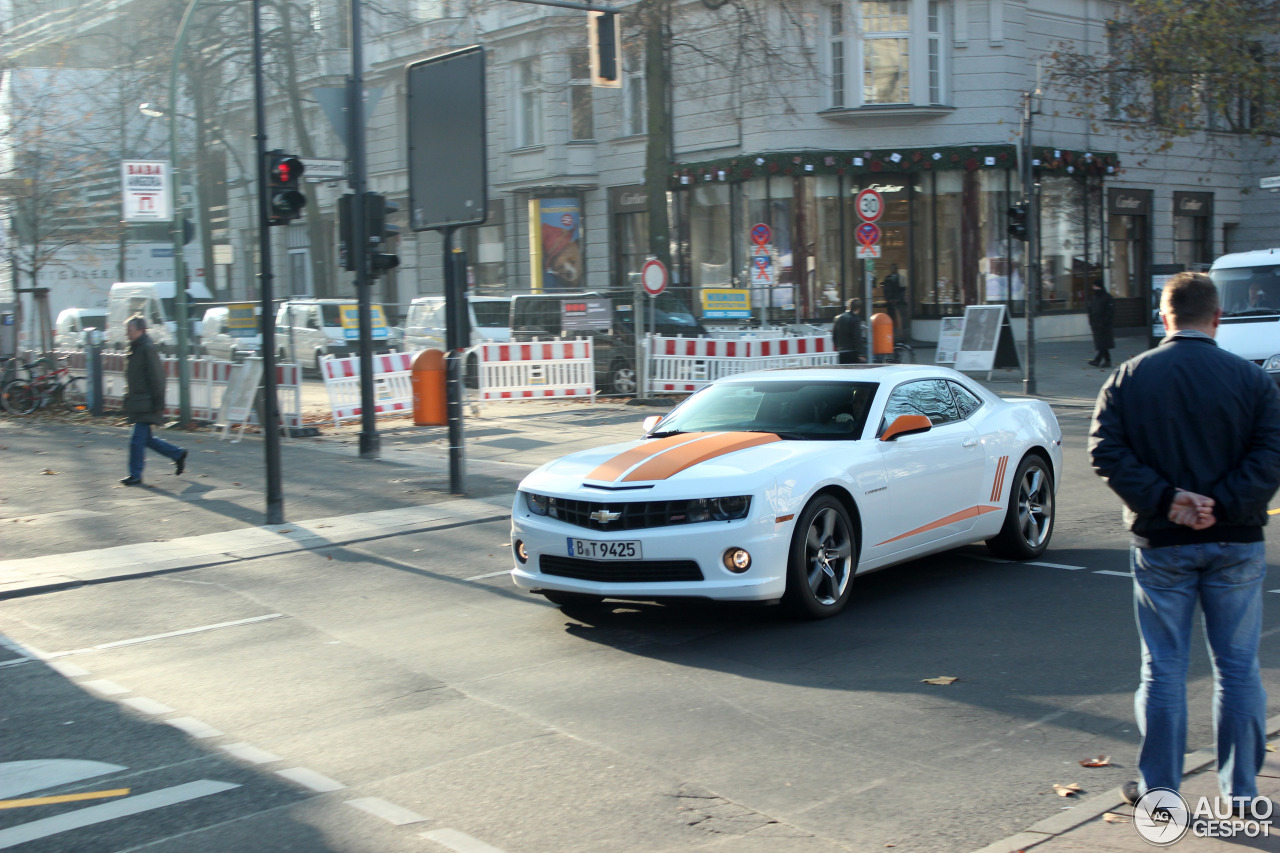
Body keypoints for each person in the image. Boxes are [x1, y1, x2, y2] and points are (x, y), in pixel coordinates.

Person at [1088, 271, 1280, 813]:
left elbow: (1105, 451)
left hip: (1162, 541)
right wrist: (1222, 501)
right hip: (1237, 537)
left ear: (1164, 316)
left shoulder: (1129, 377)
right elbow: (1271, 452)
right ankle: (1241, 793)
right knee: (1238, 668)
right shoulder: (1251, 380)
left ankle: (1161, 792)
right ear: (1216, 318)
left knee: (1163, 668)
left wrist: (1168, 500)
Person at [121, 315, 187, 486]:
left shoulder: (146, 348)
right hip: (139, 402)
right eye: (127, 330)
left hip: (147, 403)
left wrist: (159, 404)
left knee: (136, 440)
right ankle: (177, 454)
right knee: (146, 439)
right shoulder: (135, 348)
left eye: (130, 330)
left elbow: (158, 378)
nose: (127, 333)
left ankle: (135, 474)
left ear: (141, 330)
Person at [1086, 280, 1115, 367]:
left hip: (1104, 324)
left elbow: (1110, 311)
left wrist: (1106, 321)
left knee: (1103, 343)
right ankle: (1107, 361)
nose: (1093, 288)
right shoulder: (1094, 297)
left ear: (1099, 286)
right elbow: (1091, 310)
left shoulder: (1107, 297)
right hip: (1096, 324)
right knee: (1102, 343)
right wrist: (1091, 321)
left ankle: (1097, 360)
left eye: (1095, 286)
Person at [831, 298, 864, 364]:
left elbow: (834, 335)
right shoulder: (855, 319)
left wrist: (838, 347)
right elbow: (857, 337)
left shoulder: (838, 318)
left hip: (841, 352)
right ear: (859, 308)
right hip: (852, 352)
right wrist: (860, 354)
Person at [880, 264, 906, 341]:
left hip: (899, 302)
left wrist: (898, 299)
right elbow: (885, 291)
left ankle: (900, 334)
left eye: (895, 268)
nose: (894, 270)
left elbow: (903, 290)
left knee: (900, 318)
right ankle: (891, 333)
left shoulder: (901, 278)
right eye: (892, 268)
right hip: (890, 303)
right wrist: (889, 299)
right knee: (891, 318)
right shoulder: (887, 278)